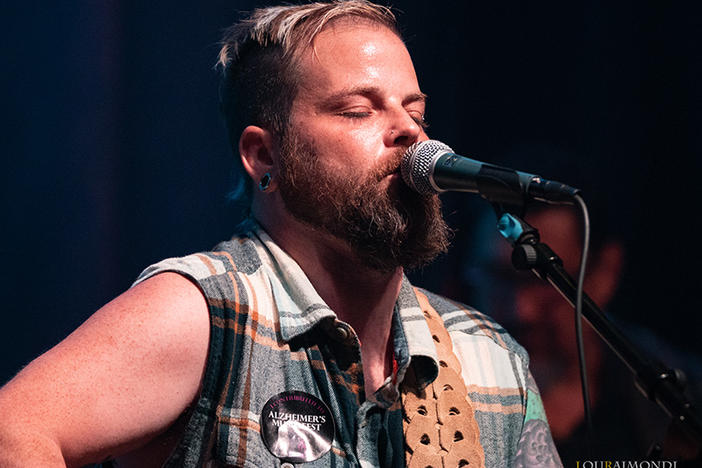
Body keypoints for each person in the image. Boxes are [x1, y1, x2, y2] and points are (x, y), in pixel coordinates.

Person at [0, 2, 562, 467]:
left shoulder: (488, 356)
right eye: (357, 110)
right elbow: (13, 434)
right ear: (264, 154)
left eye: (415, 111)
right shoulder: (207, 311)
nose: (410, 133)